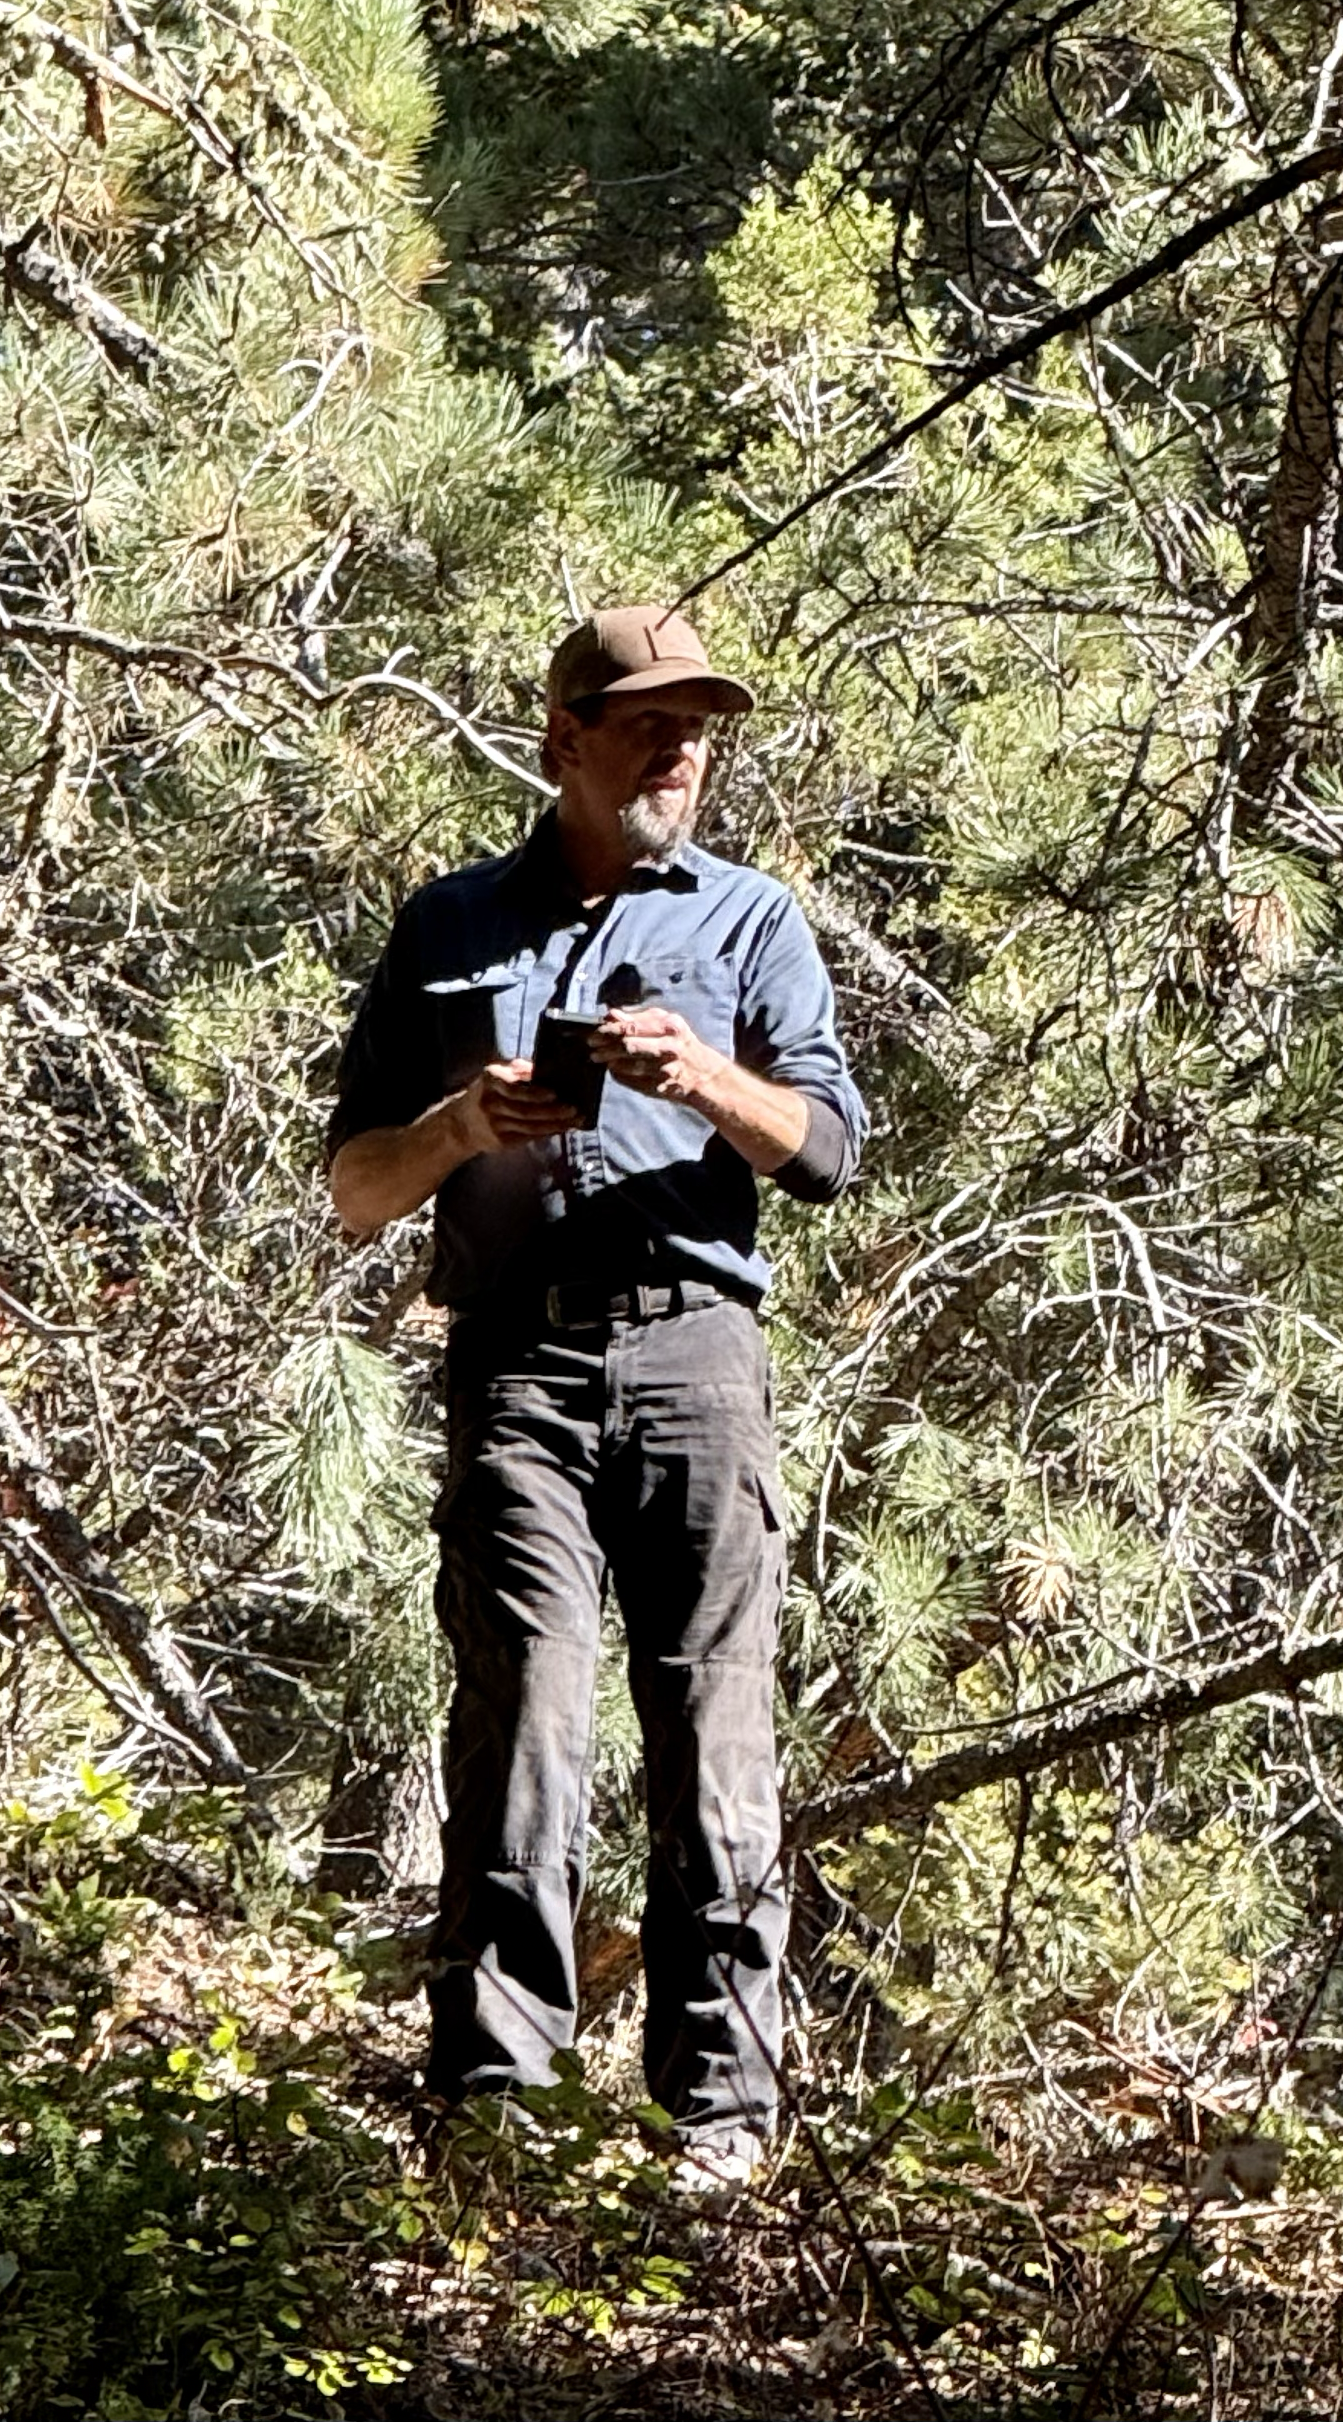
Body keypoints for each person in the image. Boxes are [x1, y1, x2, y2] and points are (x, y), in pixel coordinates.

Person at [325, 605, 866, 2191]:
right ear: (564, 739)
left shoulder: (755, 922)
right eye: (648, 724)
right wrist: (457, 1127)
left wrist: (701, 1074)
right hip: (516, 1367)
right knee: (525, 1723)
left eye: (697, 726)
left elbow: (825, 1151)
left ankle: (720, 2120)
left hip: (701, 1355)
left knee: (714, 1729)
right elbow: (356, 1190)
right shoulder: (449, 924)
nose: (681, 751)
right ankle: (498, 2112)